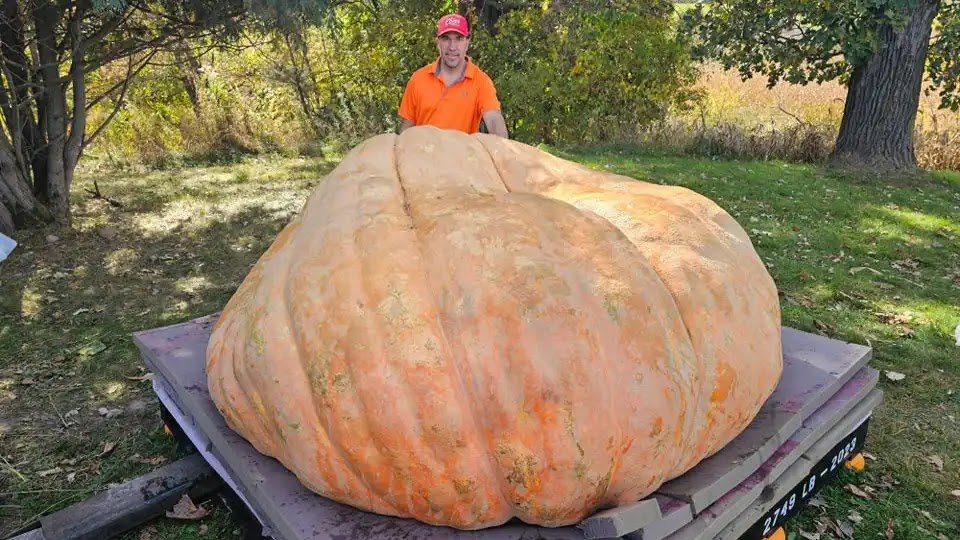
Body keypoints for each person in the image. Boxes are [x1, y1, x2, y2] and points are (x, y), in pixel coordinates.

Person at [398, 13, 508, 138]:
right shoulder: (418, 79)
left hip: (462, 156)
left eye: (459, 38)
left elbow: (493, 119)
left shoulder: (481, 81)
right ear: (438, 42)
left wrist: (503, 148)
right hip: (424, 154)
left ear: (467, 43)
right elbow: (406, 129)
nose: (452, 47)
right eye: (446, 38)